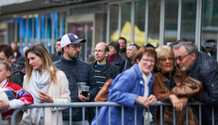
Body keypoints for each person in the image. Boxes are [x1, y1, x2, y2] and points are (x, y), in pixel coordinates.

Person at [92, 47, 157, 125]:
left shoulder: (150, 78)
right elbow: (113, 94)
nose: (149, 63)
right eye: (146, 60)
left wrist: (152, 100)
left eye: (152, 61)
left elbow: (144, 103)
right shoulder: (130, 74)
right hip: (113, 121)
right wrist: (136, 99)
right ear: (138, 60)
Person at [53, 33, 99, 125]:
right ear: (65, 48)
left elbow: (95, 87)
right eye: (74, 47)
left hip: (82, 117)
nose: (78, 49)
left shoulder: (86, 66)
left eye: (79, 46)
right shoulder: (54, 68)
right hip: (61, 117)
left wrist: (88, 95)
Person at [20, 44, 71, 125]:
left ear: (42, 57)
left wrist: (52, 101)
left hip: (50, 120)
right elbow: (24, 101)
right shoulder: (27, 78)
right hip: (30, 121)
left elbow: (67, 102)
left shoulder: (59, 75)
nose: (30, 62)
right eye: (28, 59)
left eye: (33, 58)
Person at [152, 46, 201, 125]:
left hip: (186, 117)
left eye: (170, 58)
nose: (168, 62)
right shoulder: (155, 77)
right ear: (158, 63)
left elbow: (193, 89)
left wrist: (186, 98)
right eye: (163, 59)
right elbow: (158, 94)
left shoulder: (183, 73)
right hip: (166, 119)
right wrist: (171, 97)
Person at [172, 40, 218, 124]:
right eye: (176, 59)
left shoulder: (207, 69)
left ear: (192, 56)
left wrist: (195, 93)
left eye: (180, 58)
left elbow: (215, 98)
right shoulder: (192, 64)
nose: (178, 62)